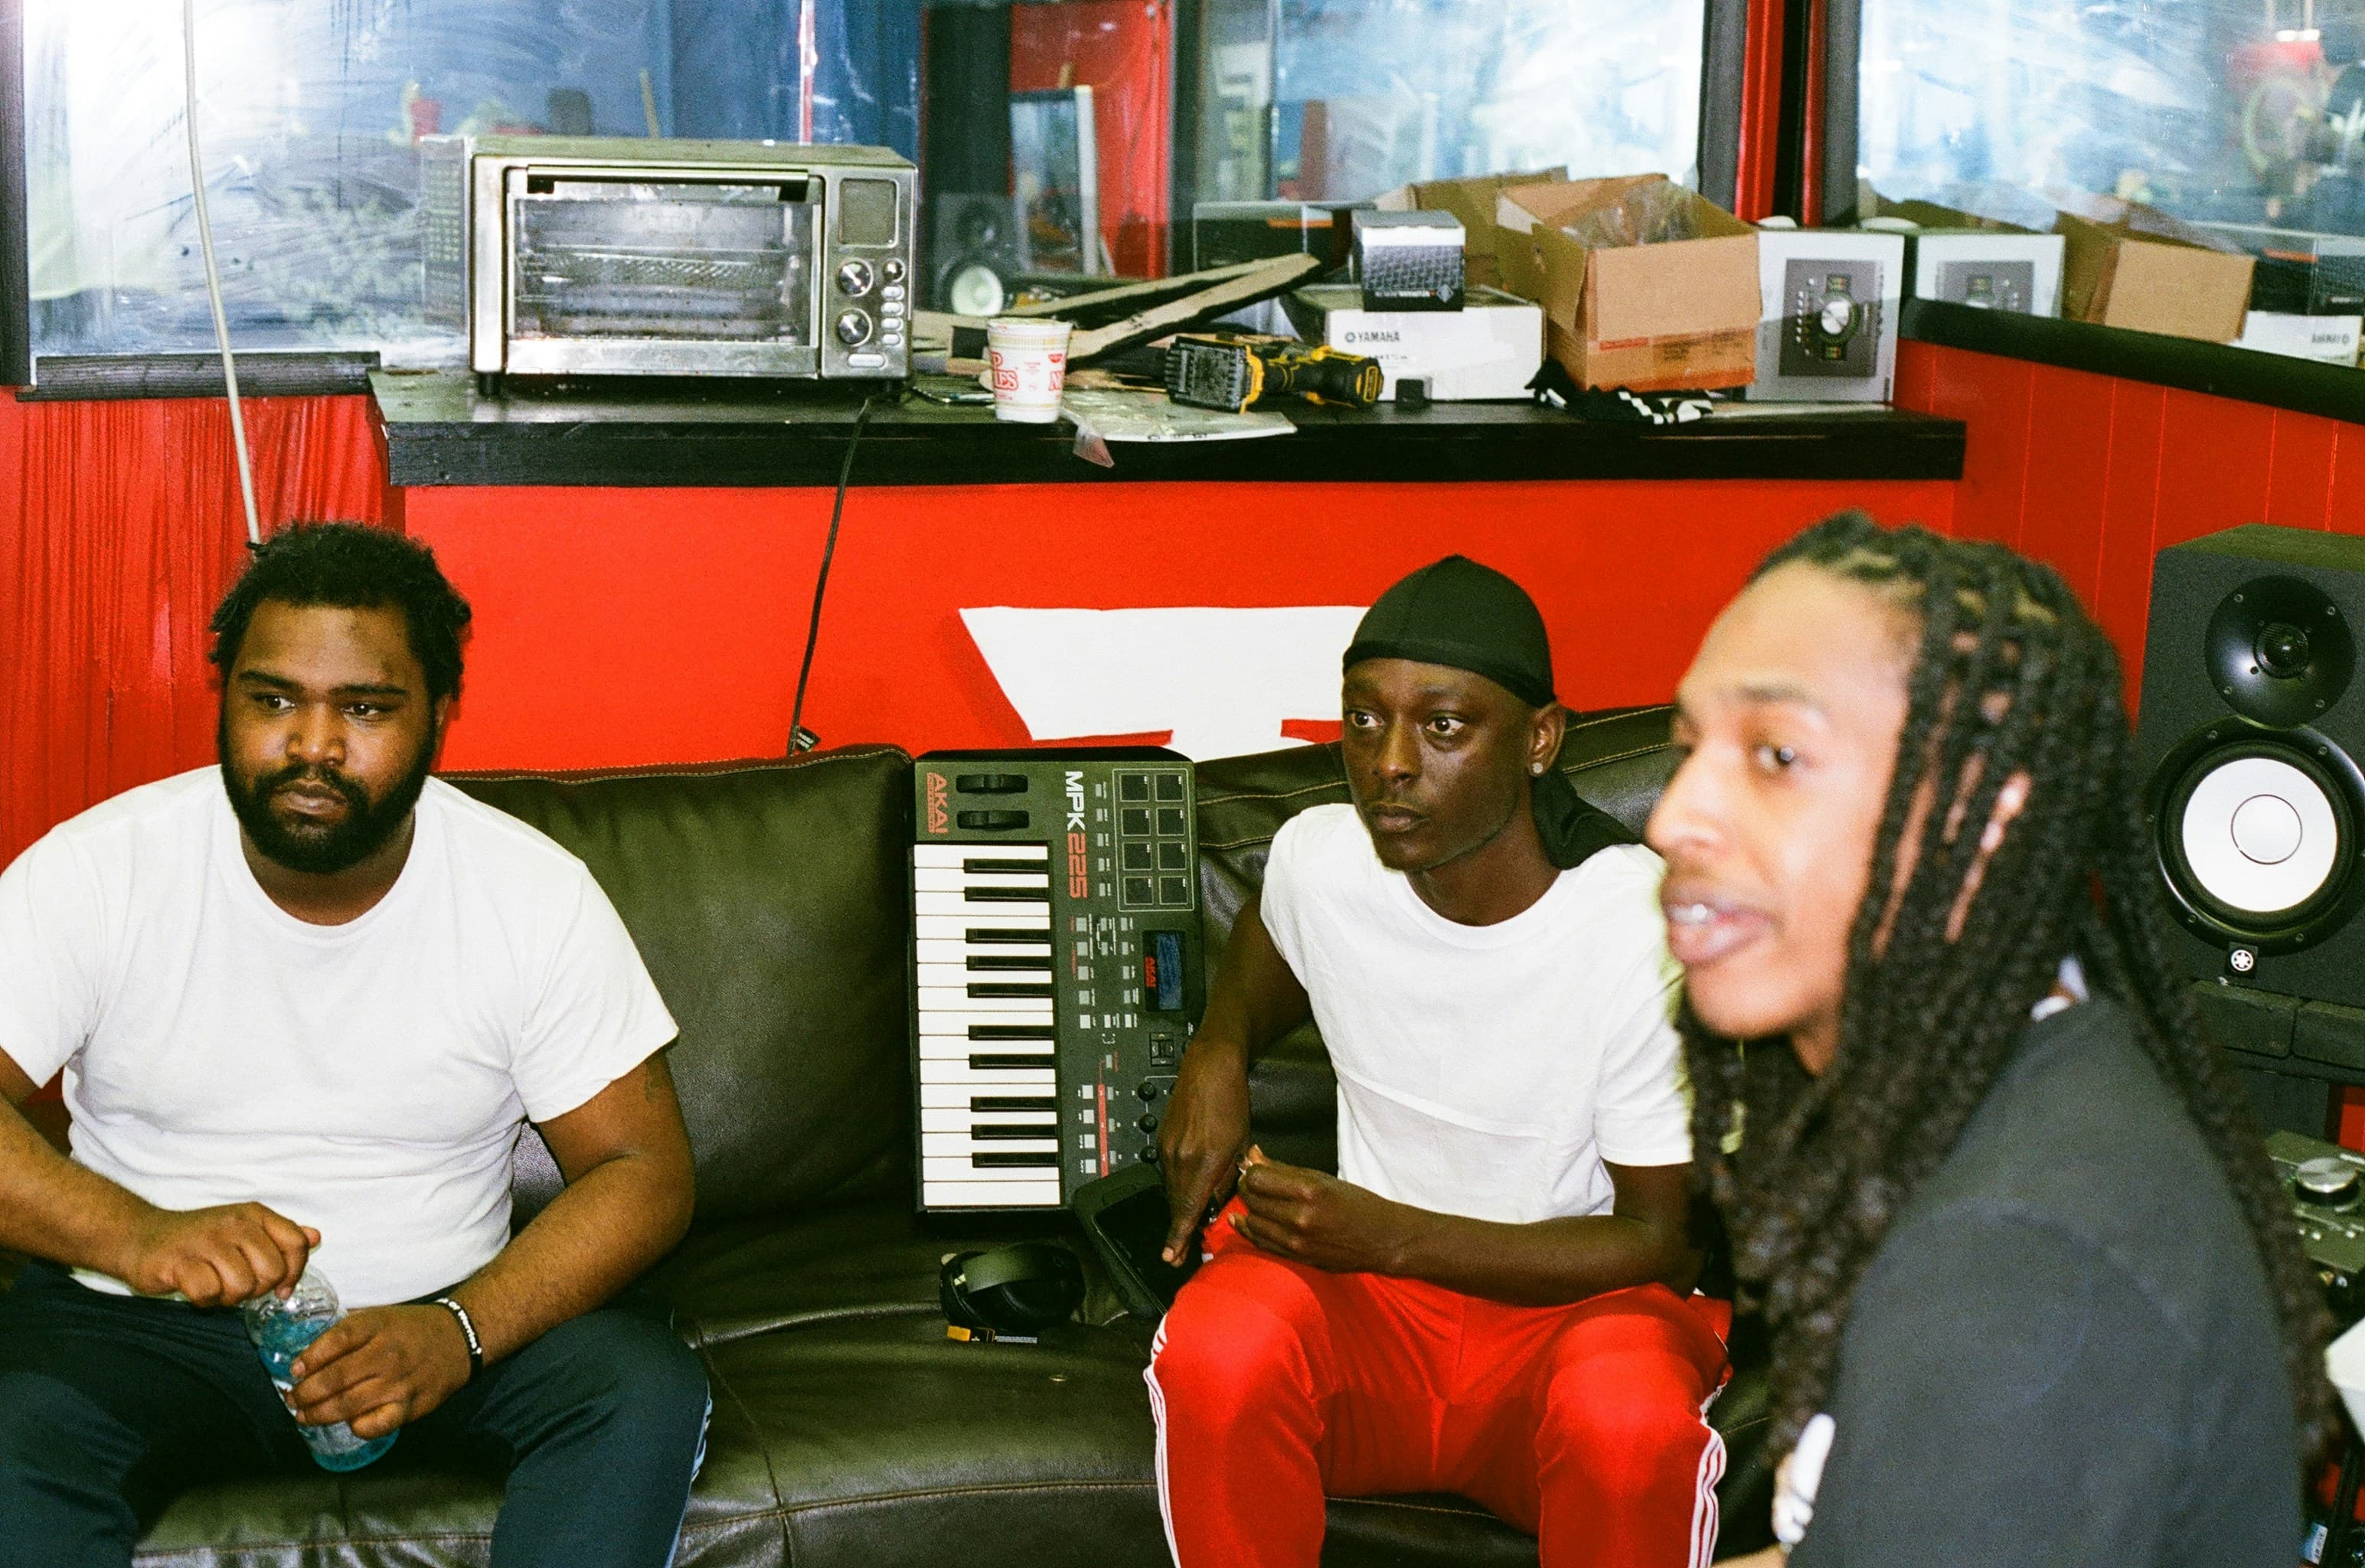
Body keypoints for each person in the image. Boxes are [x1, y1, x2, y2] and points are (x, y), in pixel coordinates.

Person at [0, 523, 710, 1568]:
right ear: (227, 699)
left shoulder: (529, 893)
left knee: (640, 1389)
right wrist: (138, 1235)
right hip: (137, 1332)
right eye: (273, 699)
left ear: (436, 718)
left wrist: (459, 1331)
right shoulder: (101, 871)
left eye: (365, 708)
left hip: (437, 1321)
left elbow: (642, 1169)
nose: (312, 747)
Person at [1646, 514, 2329, 1566]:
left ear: (1987, 814)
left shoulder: (2021, 1261)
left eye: (1776, 755)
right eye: (1687, 749)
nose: (1673, 815)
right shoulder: (1984, 1099)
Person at [1148, 556, 1730, 1568]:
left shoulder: (1635, 929)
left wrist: (1392, 1236)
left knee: (1628, 1421)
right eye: (1364, 721)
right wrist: (1217, 1053)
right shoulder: (1319, 859)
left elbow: (1659, 1243)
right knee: (1216, 1348)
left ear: (1539, 740)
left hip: (1570, 1320)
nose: (1391, 765)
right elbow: (1264, 955)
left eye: (1445, 727)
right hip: (1366, 1321)